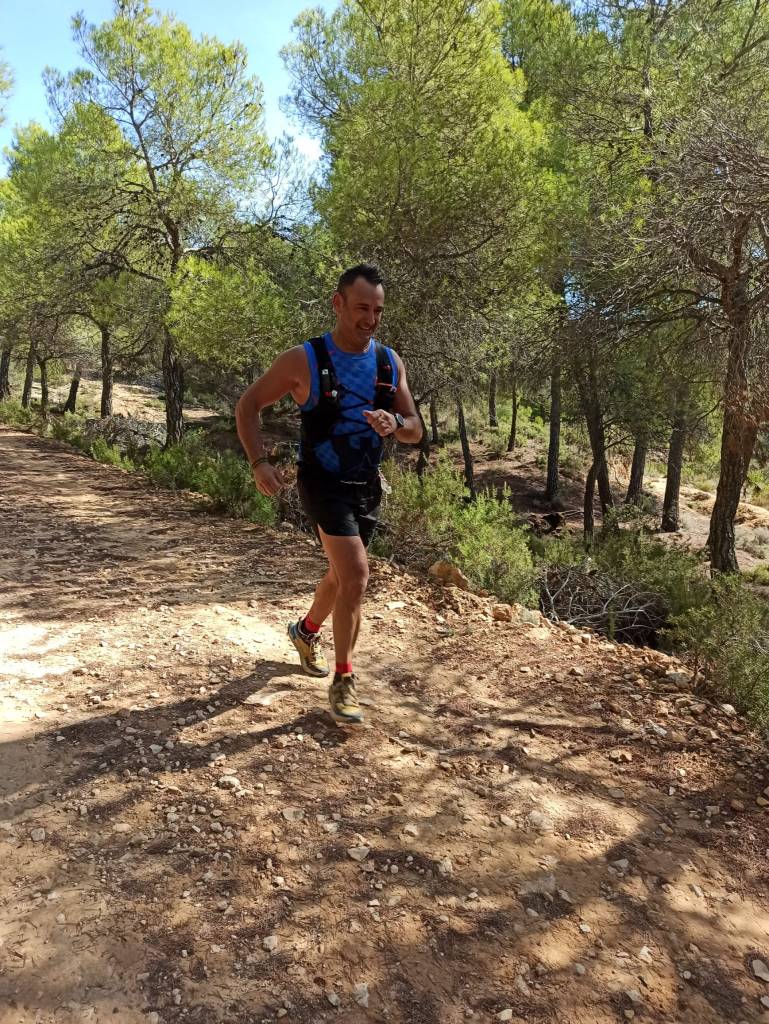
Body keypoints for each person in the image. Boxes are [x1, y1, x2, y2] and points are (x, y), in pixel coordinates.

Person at [235, 264, 422, 724]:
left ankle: (305, 631)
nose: (370, 319)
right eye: (361, 308)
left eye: (378, 310)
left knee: (341, 577)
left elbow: (416, 430)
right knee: (356, 573)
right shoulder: (304, 359)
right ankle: (344, 680)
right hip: (321, 482)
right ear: (338, 304)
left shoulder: (389, 362)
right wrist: (259, 462)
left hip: (367, 485)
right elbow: (248, 405)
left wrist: (395, 422)